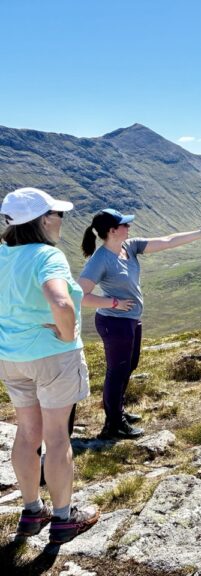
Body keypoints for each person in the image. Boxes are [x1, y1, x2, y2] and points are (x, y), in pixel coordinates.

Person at [0, 187, 100, 543]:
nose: (61, 220)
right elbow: (60, 301)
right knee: (56, 436)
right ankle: (63, 518)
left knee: (27, 432)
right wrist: (66, 333)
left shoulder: (2, 254)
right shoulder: (47, 255)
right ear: (42, 220)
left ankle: (31, 511)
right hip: (52, 357)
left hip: (11, 358)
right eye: (58, 214)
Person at [78, 209, 201, 439]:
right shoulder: (100, 260)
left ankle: (118, 411)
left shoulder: (129, 247)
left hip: (130, 320)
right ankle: (113, 424)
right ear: (112, 231)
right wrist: (114, 303)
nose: (129, 227)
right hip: (114, 323)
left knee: (129, 366)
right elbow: (80, 295)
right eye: (124, 225)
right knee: (117, 371)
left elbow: (167, 241)